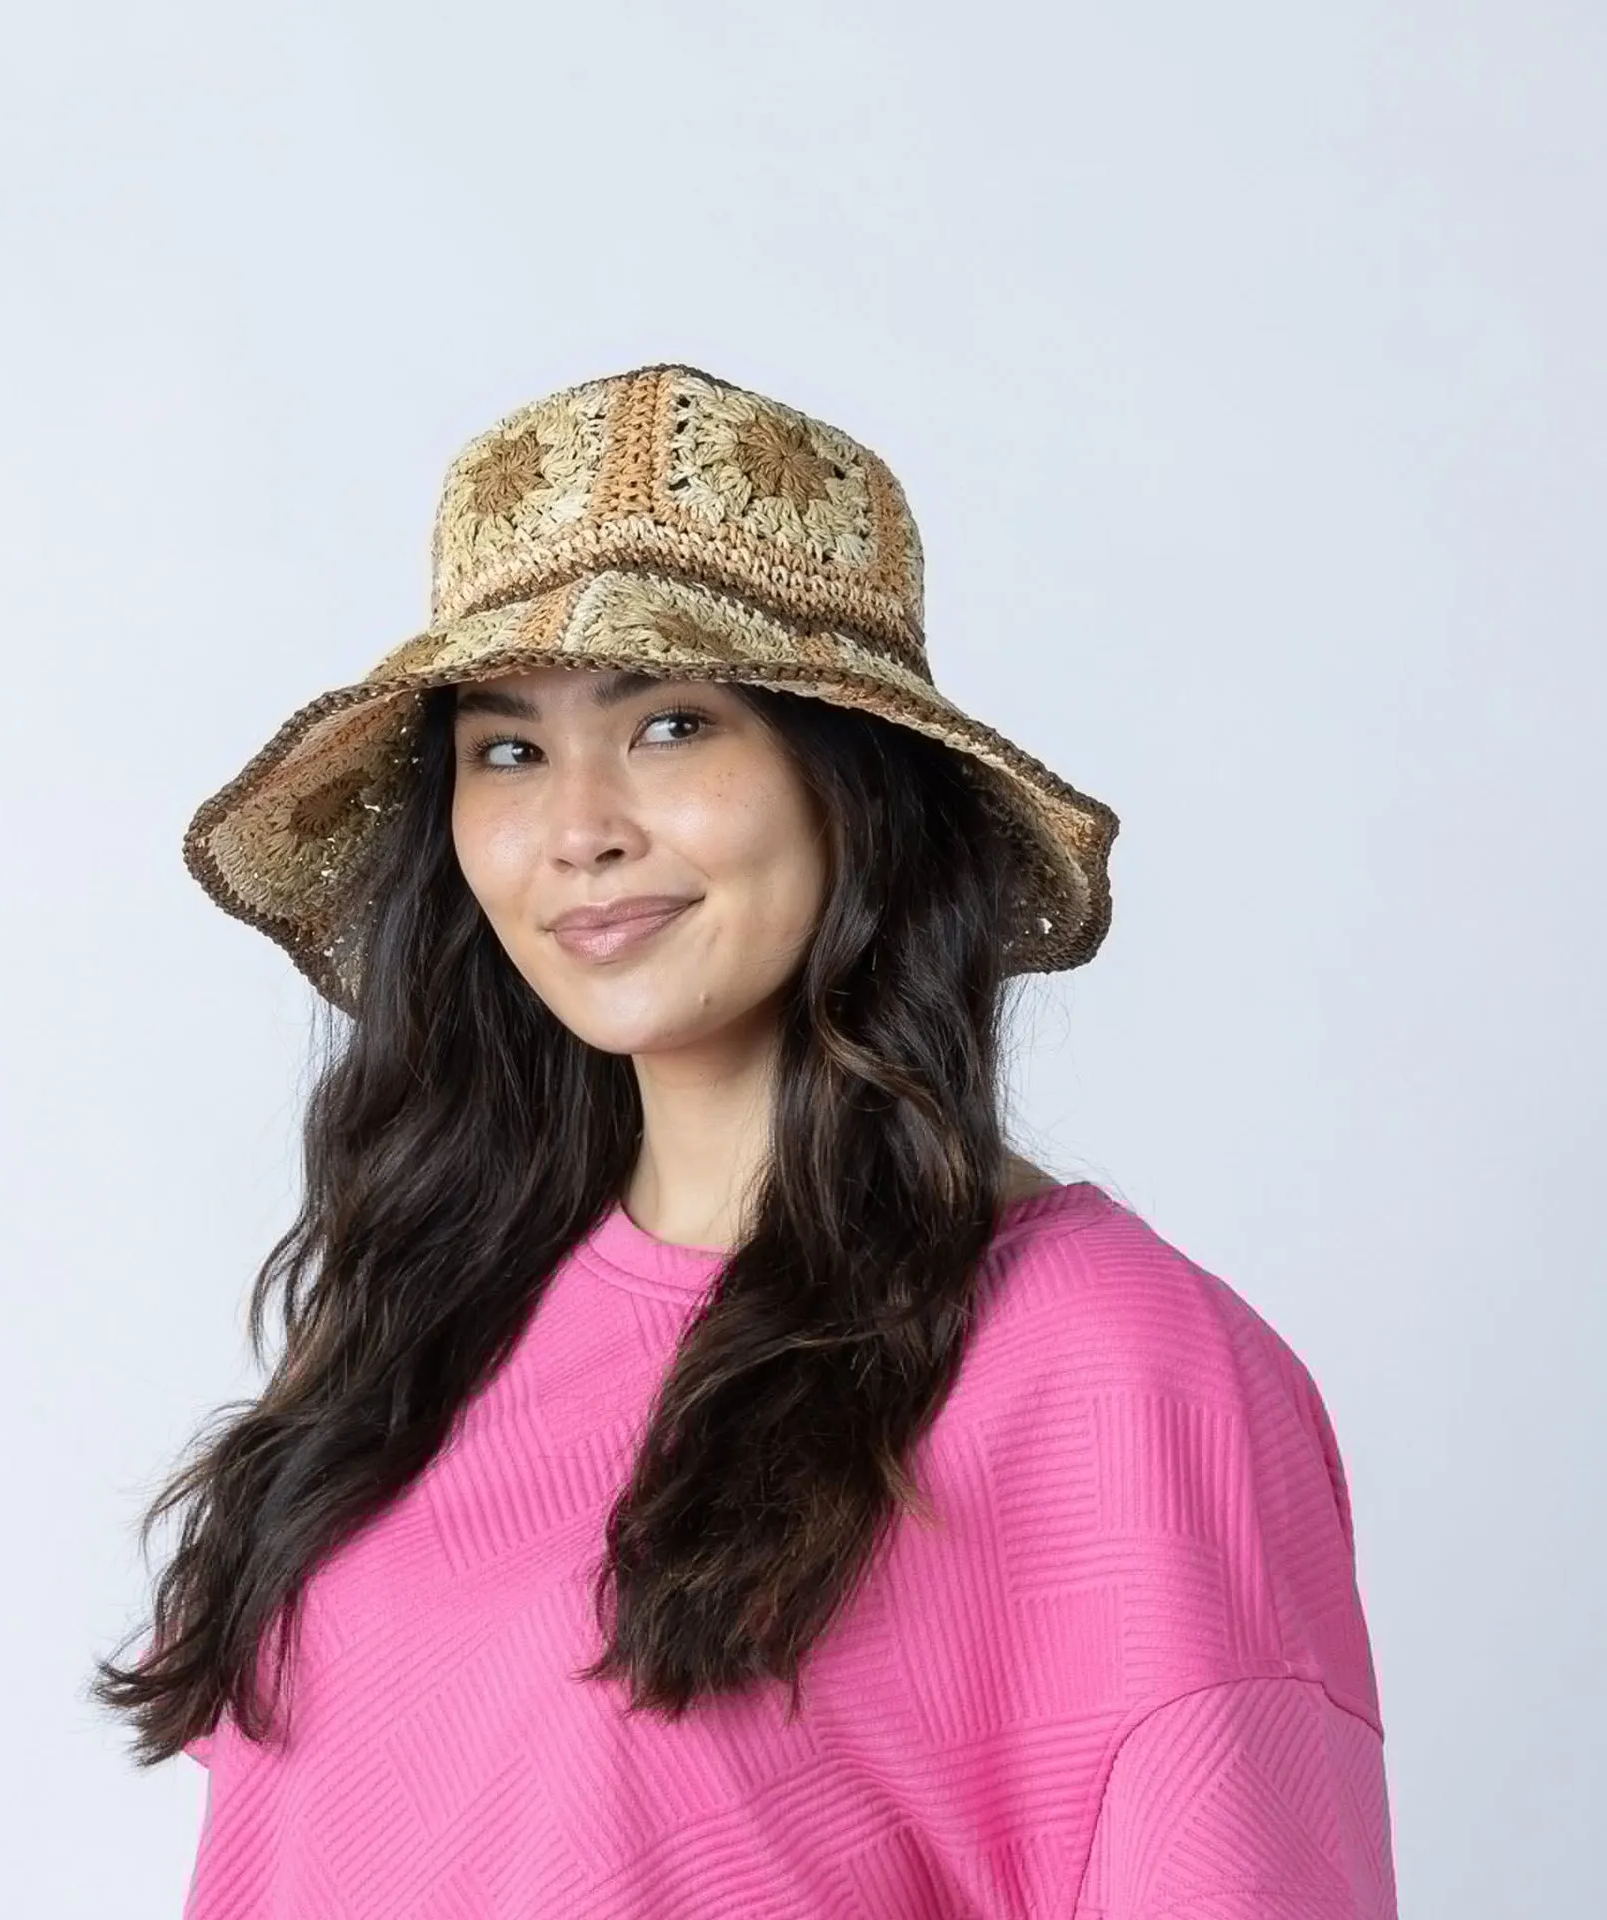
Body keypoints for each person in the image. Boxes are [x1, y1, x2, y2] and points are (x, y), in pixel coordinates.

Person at [93, 364, 1399, 1917]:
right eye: (506, 749)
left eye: (670, 724)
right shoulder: (434, 1311)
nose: (580, 826)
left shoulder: (1111, 1366)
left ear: (854, 785)